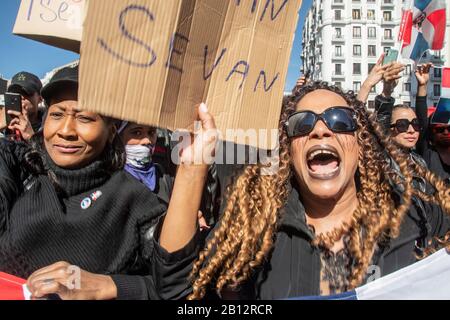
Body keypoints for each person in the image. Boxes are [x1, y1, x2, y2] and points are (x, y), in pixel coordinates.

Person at [151, 82, 449, 300]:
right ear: (288, 150)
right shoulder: (256, 231)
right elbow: (179, 289)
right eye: (302, 123)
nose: (320, 130)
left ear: (361, 143)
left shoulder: (414, 217)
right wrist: (192, 167)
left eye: (339, 120)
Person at [0, 64, 166, 300]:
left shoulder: (135, 201)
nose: (66, 130)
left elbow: (175, 287)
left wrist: (109, 286)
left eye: (85, 117)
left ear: (111, 132)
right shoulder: (19, 172)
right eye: (56, 114)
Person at [5, 72, 44, 140]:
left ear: (40, 99)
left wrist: (31, 138)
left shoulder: (48, 126)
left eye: (26, 93)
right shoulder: (4, 125)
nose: (20, 97)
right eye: (15, 93)